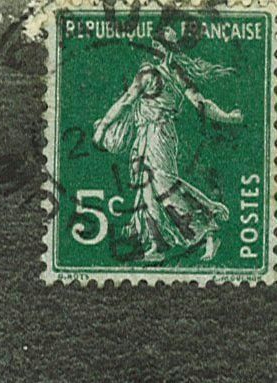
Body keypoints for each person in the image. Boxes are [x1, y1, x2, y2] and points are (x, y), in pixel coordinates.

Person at [92, 27, 243, 261]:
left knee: (163, 186)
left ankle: (208, 228)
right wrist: (228, 117)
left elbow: (125, 102)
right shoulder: (172, 73)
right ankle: (156, 245)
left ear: (158, 47)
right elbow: (201, 103)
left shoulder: (152, 74)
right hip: (154, 135)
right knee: (146, 188)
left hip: (157, 136)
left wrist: (103, 127)